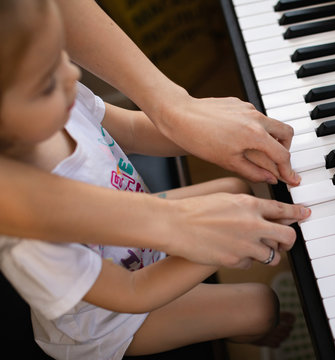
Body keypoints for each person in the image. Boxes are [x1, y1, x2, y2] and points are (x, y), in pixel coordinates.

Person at [0, 0, 299, 358]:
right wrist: (218, 247)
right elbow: (131, 292)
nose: (71, 75)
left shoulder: (62, 103)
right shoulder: (27, 243)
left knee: (236, 190)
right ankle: (261, 336)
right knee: (260, 306)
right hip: (112, 320)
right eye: (46, 81)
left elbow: (131, 129)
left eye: (60, 53)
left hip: (141, 245)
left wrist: (219, 135)